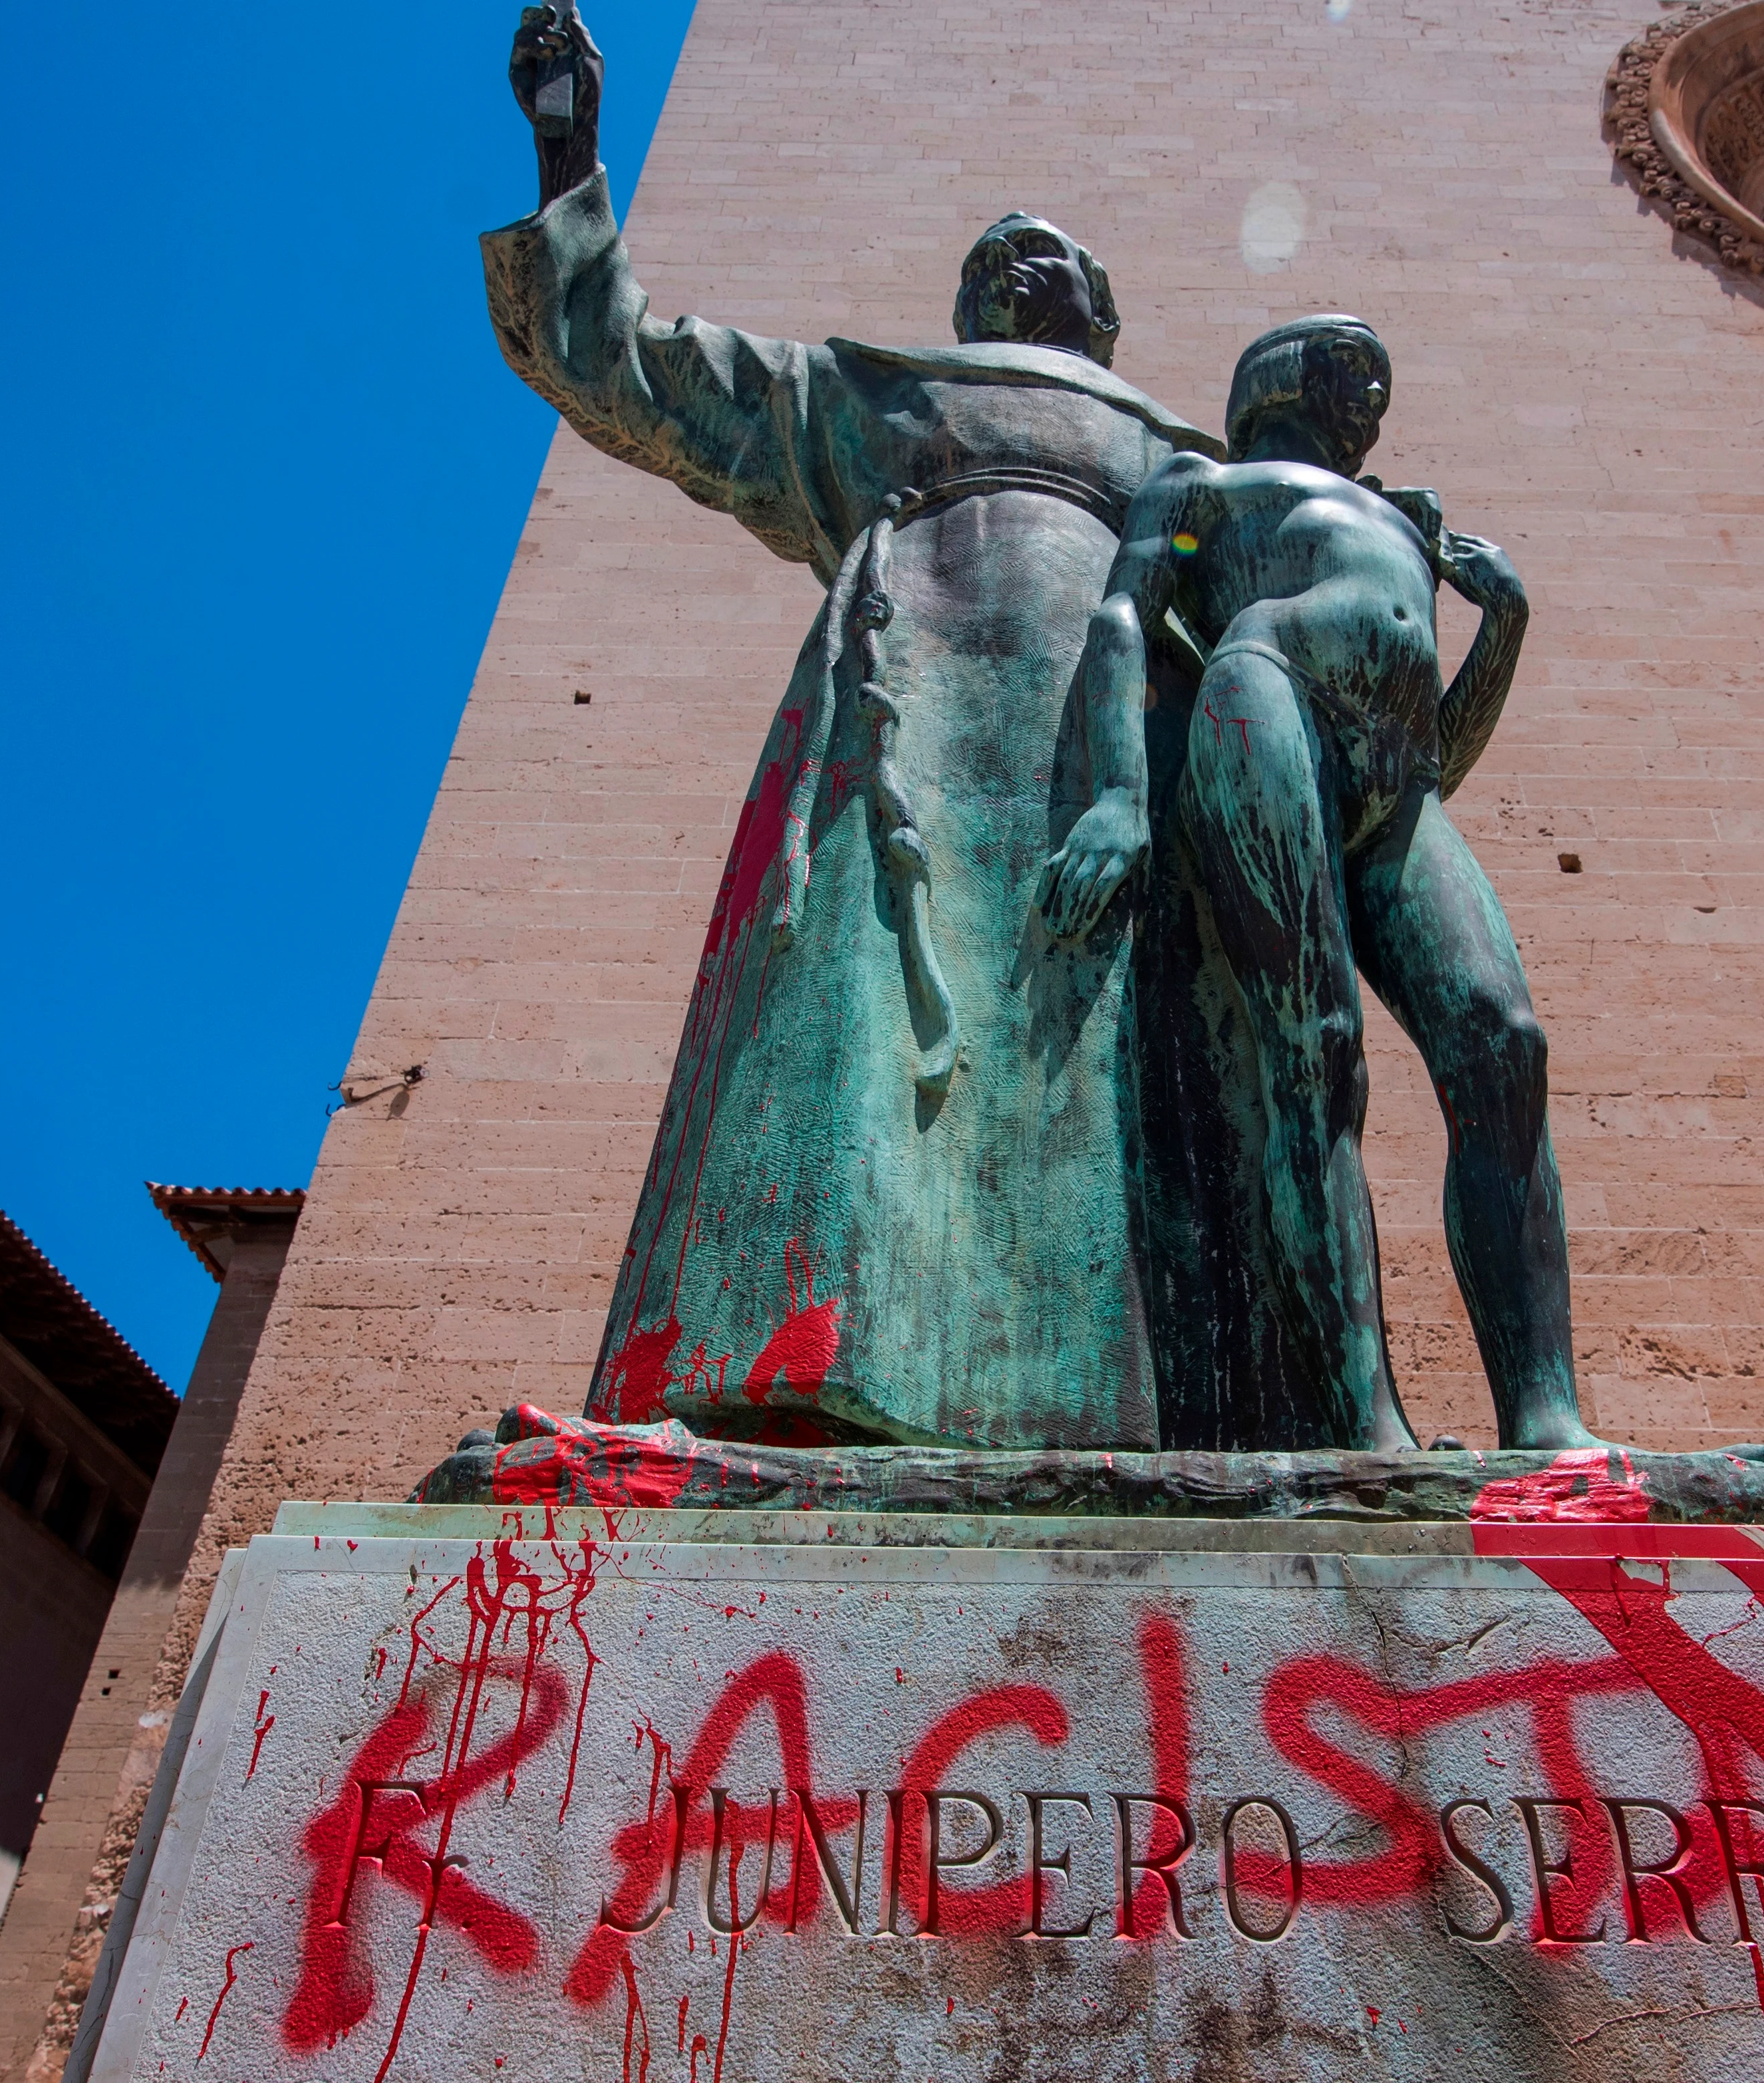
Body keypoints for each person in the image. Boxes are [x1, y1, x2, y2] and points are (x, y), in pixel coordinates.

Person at [494, 7, 1219, 1447]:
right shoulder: (865, 399)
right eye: (994, 250)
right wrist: (570, 142)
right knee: (853, 1063)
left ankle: (1128, 1427)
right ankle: (788, 1396)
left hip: (1119, 777)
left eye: (1054, 250)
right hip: (902, 752)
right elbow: (626, 372)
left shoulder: (1185, 461)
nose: (1022, 255)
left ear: (1103, 310)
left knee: (1124, 1091)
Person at [1036, 317, 1599, 1453]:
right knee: (1315, 1054)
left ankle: (1547, 1416)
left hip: (1397, 787)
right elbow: (1122, 618)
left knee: (1503, 1044)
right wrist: (1120, 794)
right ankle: (1365, 1424)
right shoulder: (1204, 481)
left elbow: (1438, 748)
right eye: (1352, 380)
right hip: (1265, 693)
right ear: (1282, 381)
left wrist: (1507, 623)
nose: (1370, 405)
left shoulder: (1401, 517)